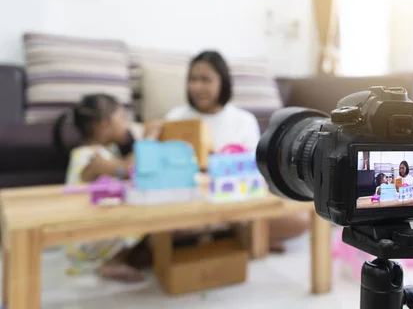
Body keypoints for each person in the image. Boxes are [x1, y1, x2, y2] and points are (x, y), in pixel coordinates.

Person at [165, 50, 308, 252]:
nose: (197, 87)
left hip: (236, 203)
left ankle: (229, 235)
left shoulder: (243, 120)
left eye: (205, 80)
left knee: (301, 220)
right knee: (161, 227)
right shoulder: (175, 117)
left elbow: (255, 172)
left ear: (222, 81)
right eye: (193, 79)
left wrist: (220, 164)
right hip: (190, 202)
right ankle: (246, 239)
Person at [53, 94, 163, 282]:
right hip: (85, 240)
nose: (126, 124)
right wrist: (150, 136)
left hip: (85, 236)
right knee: (143, 216)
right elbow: (130, 168)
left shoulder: (100, 152)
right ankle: (113, 263)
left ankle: (125, 257)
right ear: (104, 124)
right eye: (122, 118)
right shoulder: (92, 158)